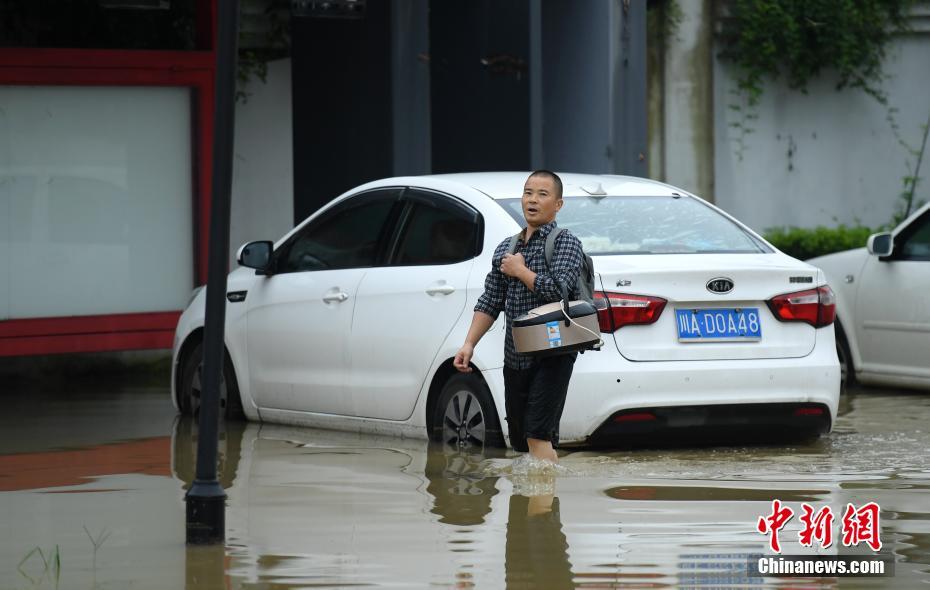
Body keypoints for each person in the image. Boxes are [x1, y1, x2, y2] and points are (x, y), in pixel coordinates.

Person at [453, 170, 584, 463]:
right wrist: (468, 344)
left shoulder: (566, 243)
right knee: (522, 443)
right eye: (528, 193)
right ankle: (533, 505)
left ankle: (541, 505)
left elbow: (558, 291)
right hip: (516, 356)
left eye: (542, 194)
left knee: (538, 435)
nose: (533, 200)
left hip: (554, 353)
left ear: (558, 204)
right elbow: (490, 301)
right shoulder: (506, 249)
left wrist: (521, 272)